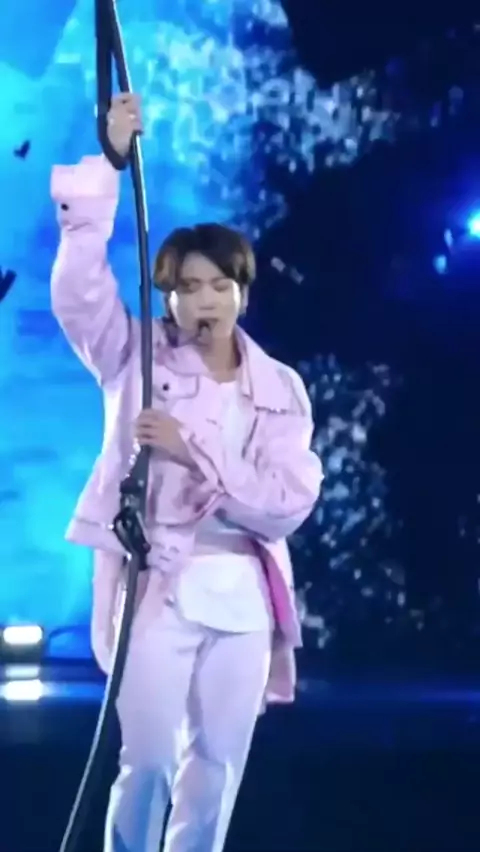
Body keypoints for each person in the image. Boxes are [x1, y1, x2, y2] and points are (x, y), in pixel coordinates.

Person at [50, 93, 323, 852]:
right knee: (145, 763)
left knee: (218, 764)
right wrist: (109, 165)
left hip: (242, 599)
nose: (205, 300)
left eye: (219, 285)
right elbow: (77, 293)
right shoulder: (134, 355)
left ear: (242, 293)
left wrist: (191, 449)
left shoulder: (280, 387)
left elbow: (285, 501)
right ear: (166, 297)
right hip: (155, 588)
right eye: (187, 287)